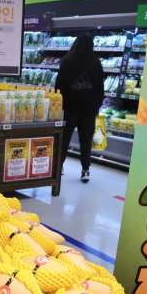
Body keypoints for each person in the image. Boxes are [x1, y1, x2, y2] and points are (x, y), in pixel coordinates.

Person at [55, 33, 104, 183]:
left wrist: (60, 104)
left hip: (70, 107)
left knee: (64, 138)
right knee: (86, 139)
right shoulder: (95, 62)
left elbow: (59, 85)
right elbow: (100, 86)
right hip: (89, 107)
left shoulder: (67, 61)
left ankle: (59, 166)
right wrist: (97, 104)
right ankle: (85, 170)